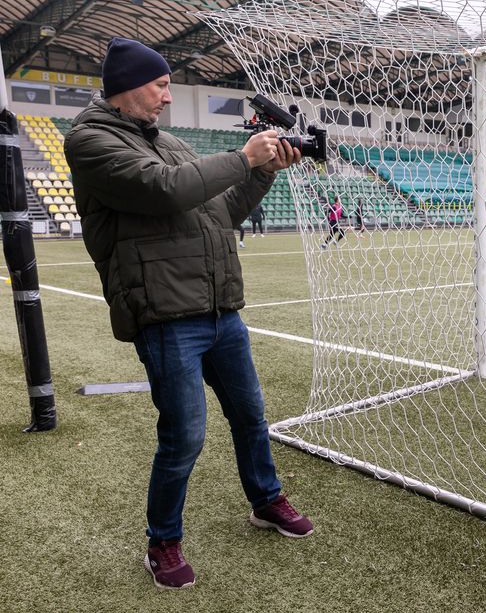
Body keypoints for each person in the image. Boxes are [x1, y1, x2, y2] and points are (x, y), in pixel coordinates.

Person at [64, 37, 313, 592]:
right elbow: (166, 191)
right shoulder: (90, 141)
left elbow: (220, 212)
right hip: (166, 312)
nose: (168, 99)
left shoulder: (171, 142)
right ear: (129, 86)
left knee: (251, 415)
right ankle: (163, 541)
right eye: (160, 86)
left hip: (220, 308)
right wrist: (242, 155)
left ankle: (266, 500)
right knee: (184, 435)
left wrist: (264, 169)